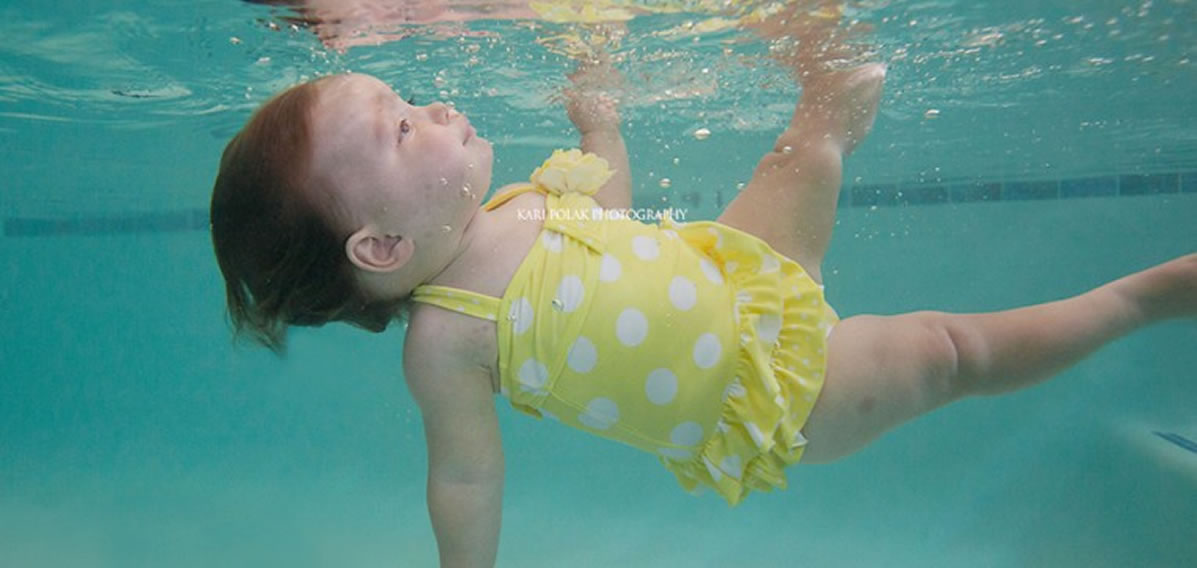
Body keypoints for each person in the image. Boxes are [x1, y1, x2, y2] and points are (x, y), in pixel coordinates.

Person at [208, 6, 1197, 567]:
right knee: (950, 353)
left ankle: (827, 71)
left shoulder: (512, 203)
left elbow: (612, 226)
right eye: (399, 128)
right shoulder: (446, 341)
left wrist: (602, 129)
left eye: (407, 96)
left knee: (820, 121)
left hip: (736, 263)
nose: (435, 103)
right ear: (380, 248)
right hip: (782, 396)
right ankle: (1144, 297)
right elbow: (467, 475)